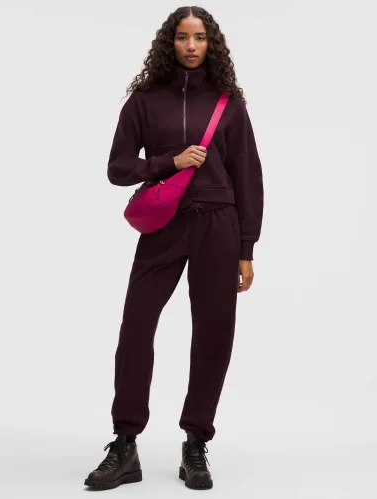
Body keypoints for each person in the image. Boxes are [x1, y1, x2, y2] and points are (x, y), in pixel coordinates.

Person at [84, 6, 264, 491]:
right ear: (170, 42)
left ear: (211, 43)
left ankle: (195, 443)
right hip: (164, 226)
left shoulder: (229, 104)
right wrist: (169, 162)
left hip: (219, 225)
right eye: (183, 37)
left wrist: (247, 247)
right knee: (136, 329)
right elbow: (118, 168)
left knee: (213, 334)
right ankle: (125, 444)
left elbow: (248, 177)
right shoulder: (144, 101)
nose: (191, 46)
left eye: (199, 37)